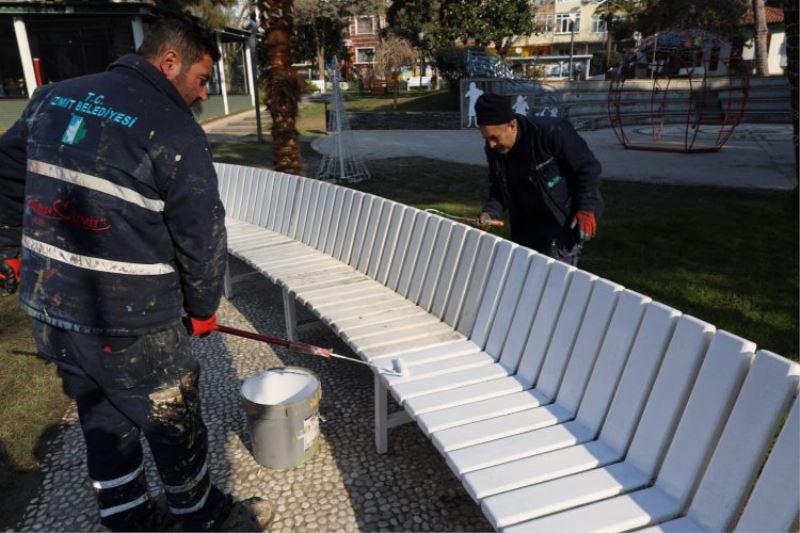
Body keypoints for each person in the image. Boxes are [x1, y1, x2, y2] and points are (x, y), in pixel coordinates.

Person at [0, 13, 270, 532]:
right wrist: (202, 309)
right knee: (172, 421)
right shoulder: (172, 129)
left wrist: (11, 249)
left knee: (101, 418)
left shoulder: (53, 98)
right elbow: (201, 235)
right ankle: (202, 517)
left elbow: (7, 174)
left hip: (50, 308)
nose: (204, 92)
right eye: (201, 78)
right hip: (134, 323)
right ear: (170, 62)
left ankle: (129, 520)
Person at [475, 93, 603, 266]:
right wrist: (490, 212)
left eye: (494, 137)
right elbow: (498, 187)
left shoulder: (552, 131)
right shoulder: (494, 148)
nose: (490, 144)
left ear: (512, 126)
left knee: (555, 274)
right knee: (525, 272)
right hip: (526, 222)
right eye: (486, 138)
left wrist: (585, 208)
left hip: (561, 218)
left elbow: (588, 168)